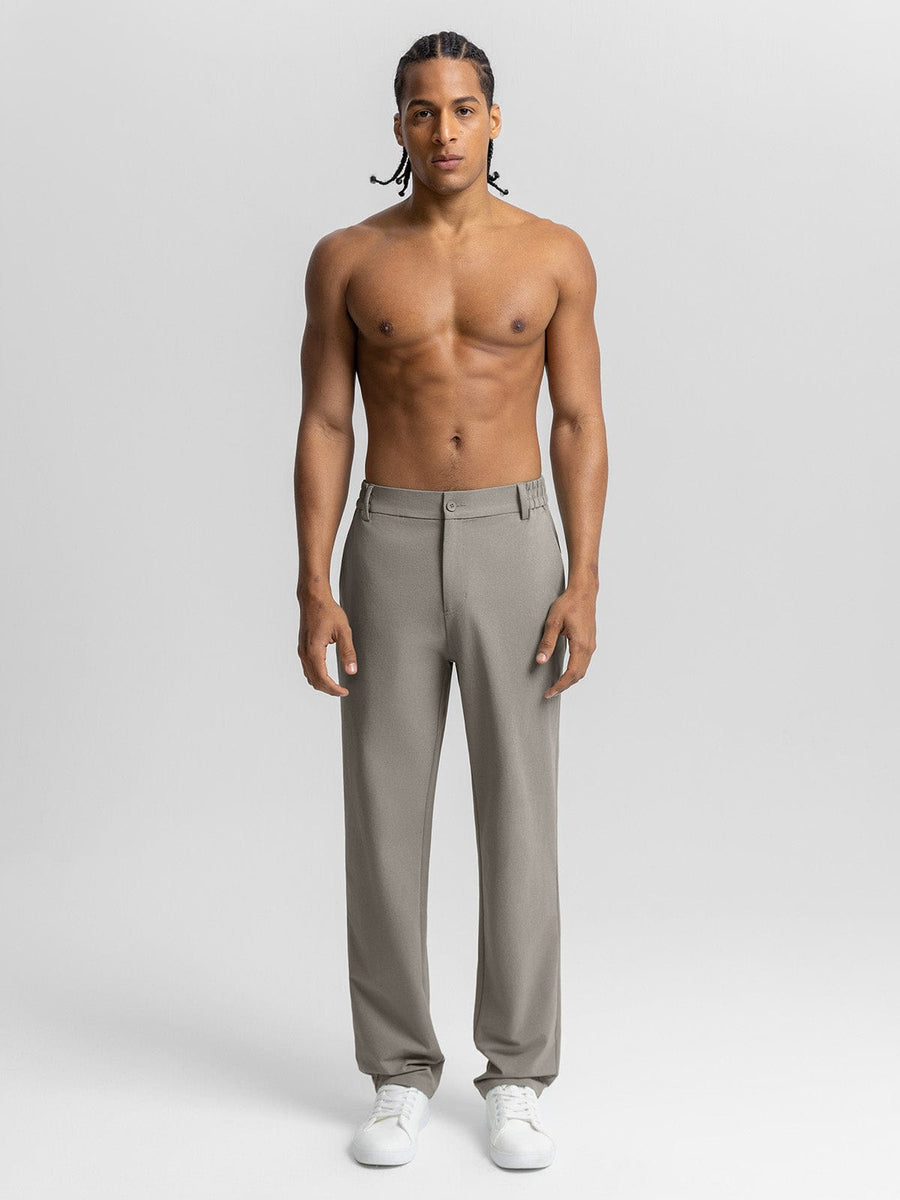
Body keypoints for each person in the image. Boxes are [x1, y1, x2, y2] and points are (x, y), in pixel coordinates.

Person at [294, 30, 608, 1170]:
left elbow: (578, 419)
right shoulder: (349, 258)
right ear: (398, 126)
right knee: (384, 814)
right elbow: (326, 420)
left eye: (463, 108)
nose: (443, 130)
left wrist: (583, 576)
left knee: (520, 812)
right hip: (386, 538)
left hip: (514, 539)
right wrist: (313, 583)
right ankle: (397, 1072)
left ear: (494, 119)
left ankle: (517, 1076)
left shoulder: (553, 254)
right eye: (422, 111)